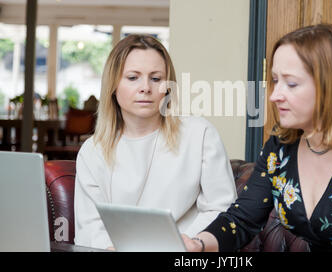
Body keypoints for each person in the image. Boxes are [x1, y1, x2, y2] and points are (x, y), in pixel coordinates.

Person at [183, 24, 332, 252]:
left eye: (291, 84)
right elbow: (242, 219)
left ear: (328, 86)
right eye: (275, 81)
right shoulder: (280, 147)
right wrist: (198, 244)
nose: (274, 96)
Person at [74, 34, 237, 249]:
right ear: (113, 85)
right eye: (133, 77)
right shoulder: (92, 151)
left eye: (156, 78)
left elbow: (221, 209)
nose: (145, 88)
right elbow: (90, 230)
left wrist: (181, 244)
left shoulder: (200, 134)